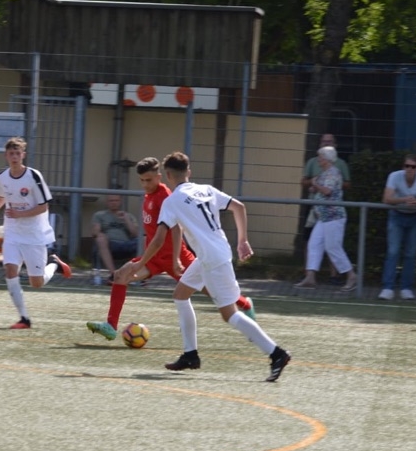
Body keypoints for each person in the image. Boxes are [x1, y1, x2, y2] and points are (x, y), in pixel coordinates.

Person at [122, 151, 291, 382]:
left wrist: (140, 264)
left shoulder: (172, 201)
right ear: (189, 172)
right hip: (211, 255)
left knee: (230, 314)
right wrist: (242, 241)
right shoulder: (207, 190)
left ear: (168, 175)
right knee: (180, 295)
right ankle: (190, 355)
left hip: (212, 260)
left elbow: (159, 239)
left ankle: (276, 353)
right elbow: (239, 207)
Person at [85, 157, 256, 341]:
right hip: (154, 258)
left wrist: (176, 259)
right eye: (142, 180)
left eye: (149, 180)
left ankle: (245, 304)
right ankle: (111, 326)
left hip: (176, 258)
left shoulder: (166, 197)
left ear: (160, 177)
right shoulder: (148, 196)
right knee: (121, 275)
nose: (145, 184)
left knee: (213, 291)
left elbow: (176, 229)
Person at [0, 137, 72, 329]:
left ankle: (54, 264)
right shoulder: (2, 177)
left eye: (17, 153)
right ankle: (24, 318)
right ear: (6, 156)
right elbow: (1, 197)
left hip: (34, 234)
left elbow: (44, 206)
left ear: (23, 155)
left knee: (36, 282)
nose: (14, 157)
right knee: (9, 270)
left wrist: (20, 213)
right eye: (11, 153)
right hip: (13, 232)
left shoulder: (33, 176)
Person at [294, 146, 356, 290]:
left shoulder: (333, 173)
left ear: (327, 159)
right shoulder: (326, 173)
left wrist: (315, 184)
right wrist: (315, 187)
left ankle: (351, 275)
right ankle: (310, 277)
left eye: (320, 157)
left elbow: (328, 191)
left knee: (333, 247)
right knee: (314, 244)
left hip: (333, 217)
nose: (318, 160)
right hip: (324, 217)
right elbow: (322, 189)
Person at [379, 154, 416, 300]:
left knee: (411, 253)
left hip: (415, 217)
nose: (409, 169)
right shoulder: (394, 176)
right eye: (407, 166)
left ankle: (406, 288)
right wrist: (404, 200)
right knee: (393, 251)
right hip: (396, 216)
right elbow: (386, 198)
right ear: (403, 167)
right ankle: (387, 288)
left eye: (413, 167)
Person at [90, 193, 139, 283]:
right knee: (100, 238)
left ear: (120, 202)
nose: (114, 203)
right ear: (107, 202)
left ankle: (138, 275)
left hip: (127, 244)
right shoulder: (100, 215)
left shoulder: (128, 216)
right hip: (110, 244)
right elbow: (94, 232)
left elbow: (135, 234)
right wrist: (99, 233)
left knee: (144, 240)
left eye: (116, 200)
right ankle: (114, 275)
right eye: (111, 201)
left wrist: (126, 219)